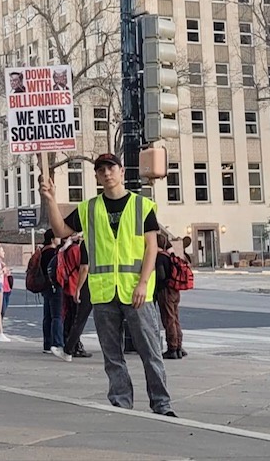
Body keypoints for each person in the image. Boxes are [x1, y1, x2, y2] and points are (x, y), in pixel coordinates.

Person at [40, 153, 175, 416]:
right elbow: (60, 231)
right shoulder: (89, 208)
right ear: (97, 177)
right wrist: (51, 199)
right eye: (101, 170)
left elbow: (151, 248)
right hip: (103, 293)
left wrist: (143, 282)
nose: (106, 173)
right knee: (112, 355)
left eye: (111, 168)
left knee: (150, 352)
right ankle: (121, 402)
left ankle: (162, 404)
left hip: (136, 291)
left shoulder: (141, 206)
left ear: (122, 172)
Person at [39, 229, 71, 361]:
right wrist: (67, 244)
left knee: (47, 316)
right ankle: (57, 343)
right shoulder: (52, 252)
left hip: (46, 286)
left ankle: (47, 343)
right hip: (54, 286)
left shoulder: (42, 251)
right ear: (52, 239)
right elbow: (60, 256)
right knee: (57, 316)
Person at [60, 234, 93, 358]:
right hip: (102, 282)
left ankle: (69, 348)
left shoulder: (82, 245)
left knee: (78, 318)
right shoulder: (103, 240)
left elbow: (84, 268)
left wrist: (78, 288)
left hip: (83, 283)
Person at [156, 231, 187, 359]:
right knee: (175, 318)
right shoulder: (170, 256)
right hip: (175, 290)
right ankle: (179, 346)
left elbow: (161, 276)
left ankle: (172, 348)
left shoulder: (159, 258)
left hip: (166, 291)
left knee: (168, 320)